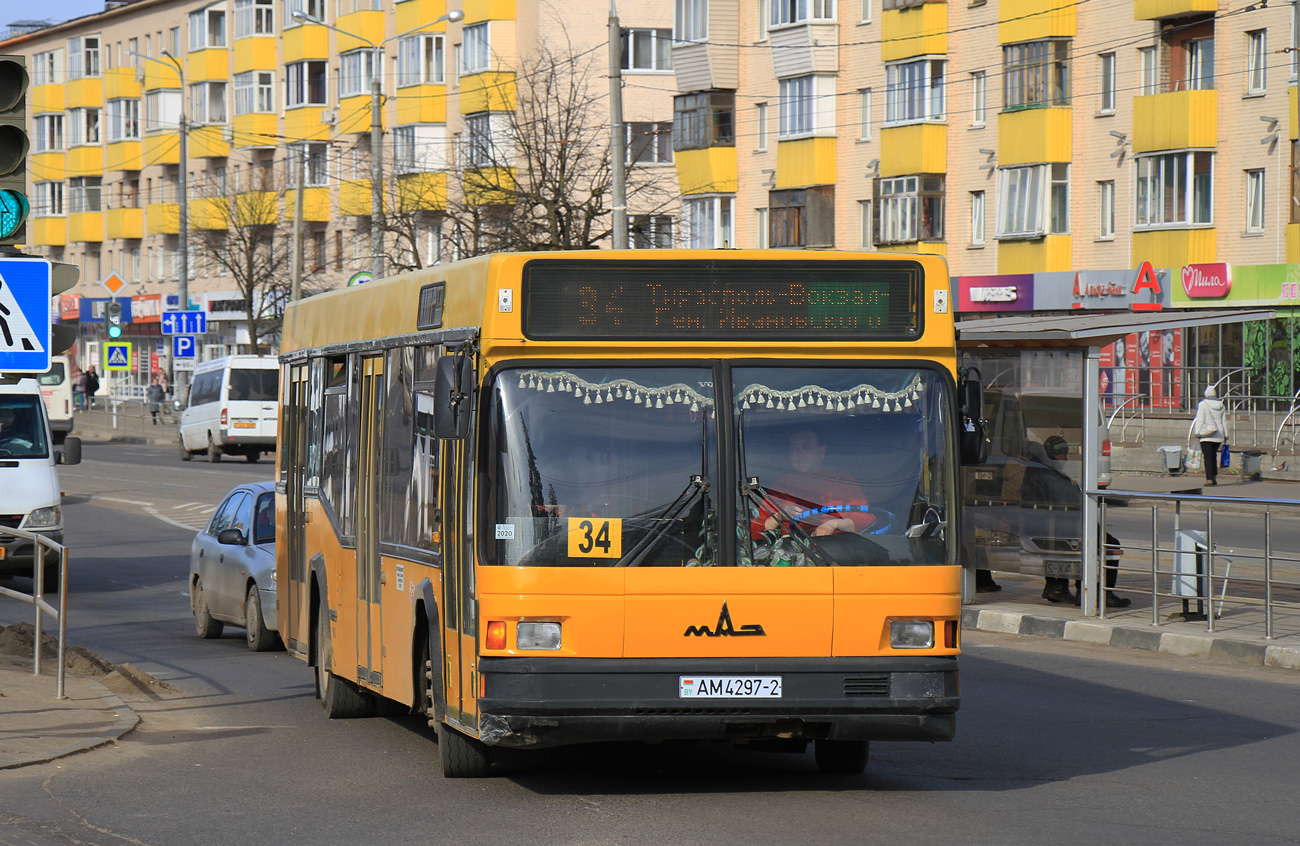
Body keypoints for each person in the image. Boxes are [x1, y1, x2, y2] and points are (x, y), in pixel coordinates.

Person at [757, 429, 873, 537]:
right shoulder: (781, 486)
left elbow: (866, 520)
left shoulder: (842, 481)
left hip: (839, 552)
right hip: (791, 554)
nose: (800, 454)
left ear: (822, 451)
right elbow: (756, 529)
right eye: (794, 448)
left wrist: (834, 524)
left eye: (806, 447)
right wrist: (779, 516)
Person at [1192, 385, 1228, 486]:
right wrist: (1226, 434)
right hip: (1219, 435)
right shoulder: (1221, 405)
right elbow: (1223, 421)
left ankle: (1209, 479)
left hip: (1206, 434)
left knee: (1207, 457)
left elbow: (1200, 419)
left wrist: (1197, 432)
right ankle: (1214, 477)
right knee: (1213, 456)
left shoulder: (1203, 404)